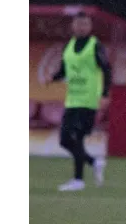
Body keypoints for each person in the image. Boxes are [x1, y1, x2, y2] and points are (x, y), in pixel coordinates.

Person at [45, 11, 111, 192]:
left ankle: (78, 180)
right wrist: (54, 77)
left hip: (88, 99)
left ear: (89, 27)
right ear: (73, 26)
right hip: (72, 99)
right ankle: (93, 162)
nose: (81, 27)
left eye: (85, 24)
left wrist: (104, 94)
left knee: (78, 137)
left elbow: (106, 69)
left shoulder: (95, 45)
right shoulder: (69, 46)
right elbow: (64, 70)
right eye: (78, 24)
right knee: (65, 140)